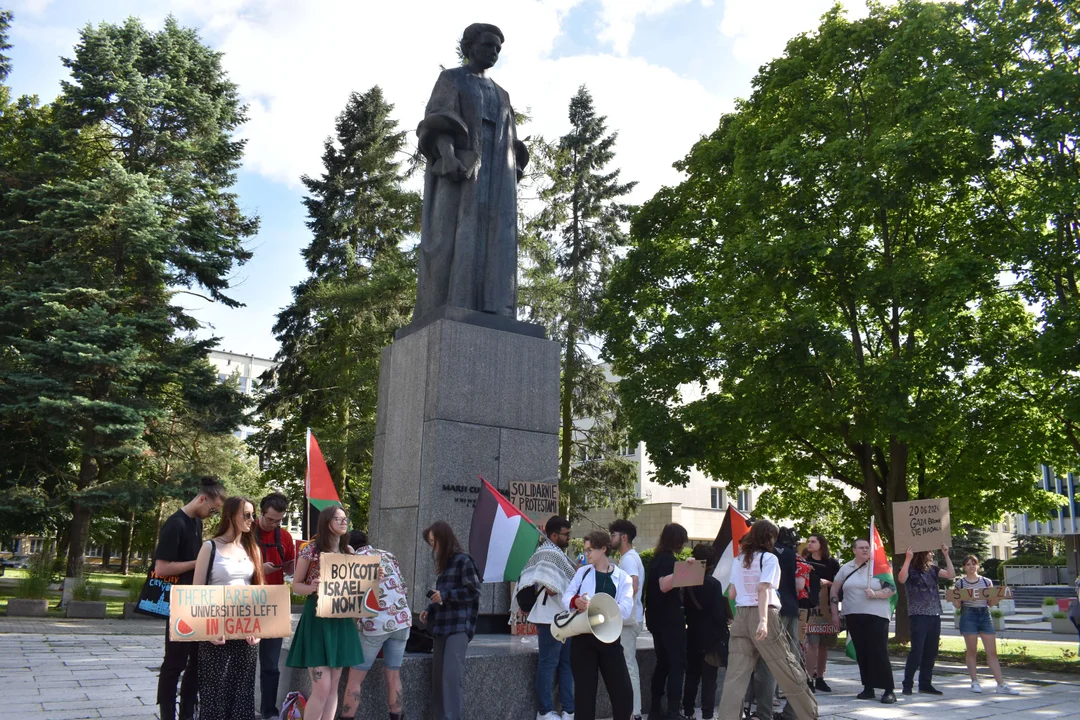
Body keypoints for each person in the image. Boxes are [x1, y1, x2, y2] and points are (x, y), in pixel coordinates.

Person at [412, 23, 529, 319]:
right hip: (463, 170)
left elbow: (510, 134)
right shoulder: (452, 79)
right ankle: (454, 301)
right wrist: (447, 154)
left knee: (496, 234)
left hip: (498, 174)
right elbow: (437, 120)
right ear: (469, 47)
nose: (494, 52)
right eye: (488, 45)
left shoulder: (502, 94)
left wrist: (518, 155)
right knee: (455, 234)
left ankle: (496, 305)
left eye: (498, 49)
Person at [717, 520, 817, 720]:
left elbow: (732, 594)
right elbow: (763, 589)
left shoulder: (739, 559)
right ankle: (808, 713)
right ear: (769, 537)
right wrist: (763, 620)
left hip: (741, 616)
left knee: (735, 676)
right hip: (765, 615)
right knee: (785, 666)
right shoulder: (769, 558)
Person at [154, 475, 227, 720]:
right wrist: (199, 562)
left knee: (196, 663)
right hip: (179, 603)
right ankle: (167, 714)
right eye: (213, 509)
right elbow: (161, 568)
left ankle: (187, 713)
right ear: (202, 498)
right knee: (174, 664)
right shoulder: (176, 524)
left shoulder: (196, 523)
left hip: (197, 601)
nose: (212, 514)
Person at [286, 506, 365, 720]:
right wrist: (312, 586)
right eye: (338, 519)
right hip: (318, 620)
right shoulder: (310, 550)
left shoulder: (349, 551)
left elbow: (356, 586)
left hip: (341, 619)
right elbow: (296, 586)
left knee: (333, 688)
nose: (343, 522)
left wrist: (374, 576)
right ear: (326, 522)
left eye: (345, 518)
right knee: (322, 687)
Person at [192, 496, 266, 720]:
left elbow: (259, 592)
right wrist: (207, 628)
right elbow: (197, 592)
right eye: (247, 514)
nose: (251, 520)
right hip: (216, 633)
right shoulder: (210, 547)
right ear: (230, 515)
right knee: (214, 696)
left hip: (245, 634)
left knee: (242, 696)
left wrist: (259, 629)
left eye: (253, 515)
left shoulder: (252, 549)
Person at [561, 530, 635, 720]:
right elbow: (566, 597)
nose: (587, 554)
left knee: (623, 693)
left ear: (603, 549)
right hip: (583, 639)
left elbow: (626, 609)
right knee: (585, 696)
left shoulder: (623, 578)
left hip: (609, 639)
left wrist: (600, 607)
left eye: (590, 550)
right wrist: (576, 601)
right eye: (585, 550)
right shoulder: (583, 572)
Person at [340, 530, 412, 720]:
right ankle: (397, 716)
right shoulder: (388, 555)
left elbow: (353, 599)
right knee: (394, 675)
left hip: (374, 623)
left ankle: (347, 717)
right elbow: (403, 587)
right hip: (401, 620)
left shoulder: (353, 560)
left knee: (355, 680)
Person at [420, 521, 482, 720]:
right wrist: (430, 609)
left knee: (451, 678)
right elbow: (442, 596)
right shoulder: (446, 565)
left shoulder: (464, 560)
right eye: (430, 543)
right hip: (442, 626)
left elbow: (474, 591)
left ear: (443, 539)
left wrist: (445, 595)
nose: (433, 547)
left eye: (434, 541)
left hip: (459, 626)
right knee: (438, 679)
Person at [519, 516, 577, 720]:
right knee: (549, 663)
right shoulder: (547, 553)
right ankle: (544, 711)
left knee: (566, 663)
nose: (569, 537)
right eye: (566, 534)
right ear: (554, 535)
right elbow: (552, 589)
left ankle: (568, 710)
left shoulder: (558, 553)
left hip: (564, 617)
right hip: (549, 618)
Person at [830, 537, 896, 704]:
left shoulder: (880, 567)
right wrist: (834, 614)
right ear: (854, 550)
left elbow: (892, 589)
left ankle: (888, 690)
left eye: (867, 547)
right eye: (861, 548)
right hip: (853, 615)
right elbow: (834, 589)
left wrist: (876, 595)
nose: (865, 550)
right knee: (862, 652)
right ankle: (868, 687)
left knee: (879, 651)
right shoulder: (846, 567)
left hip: (876, 615)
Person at [752, 527, 804, 720]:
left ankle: (764, 712)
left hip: (773, 609)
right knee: (792, 661)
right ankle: (794, 711)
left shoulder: (765, 555)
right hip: (791, 608)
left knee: (768, 662)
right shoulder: (791, 554)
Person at [254, 492, 296, 720]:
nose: (274, 524)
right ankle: (242, 706)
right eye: (270, 519)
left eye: (279, 520)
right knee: (246, 661)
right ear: (261, 513)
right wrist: (261, 568)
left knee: (271, 663)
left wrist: (292, 567)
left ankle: (270, 711)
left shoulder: (285, 537)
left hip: (275, 601)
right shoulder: (247, 532)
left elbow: (289, 569)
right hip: (248, 599)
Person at [953, 555, 1019, 695]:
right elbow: (958, 605)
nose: (971, 566)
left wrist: (999, 596)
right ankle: (974, 682)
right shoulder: (960, 583)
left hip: (984, 614)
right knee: (972, 650)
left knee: (992, 652)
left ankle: (1001, 684)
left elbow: (990, 603)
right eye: (968, 564)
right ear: (964, 567)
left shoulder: (986, 581)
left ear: (977, 565)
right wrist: (954, 598)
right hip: (968, 615)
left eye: (973, 563)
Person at [682, 544, 731, 720]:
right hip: (711, 638)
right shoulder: (713, 584)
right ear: (710, 563)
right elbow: (718, 614)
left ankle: (688, 712)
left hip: (692, 634)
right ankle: (707, 715)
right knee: (709, 680)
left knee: (692, 677)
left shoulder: (686, 582)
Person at [897, 544, 954, 695]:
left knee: (931, 651)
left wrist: (946, 555)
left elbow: (950, 574)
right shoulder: (910, 568)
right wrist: (908, 558)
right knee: (917, 651)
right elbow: (901, 579)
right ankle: (907, 684)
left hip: (934, 614)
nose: (932, 555)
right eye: (930, 552)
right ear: (922, 554)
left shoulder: (933, 569)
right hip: (918, 615)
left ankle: (925, 683)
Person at [646, 523, 689, 720]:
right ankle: (673, 711)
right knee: (677, 664)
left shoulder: (655, 559)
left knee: (663, 663)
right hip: (670, 620)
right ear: (677, 541)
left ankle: (655, 708)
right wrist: (687, 570)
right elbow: (664, 585)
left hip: (656, 619)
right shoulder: (668, 560)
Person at [610, 519, 646, 720]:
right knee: (629, 664)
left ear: (624, 537)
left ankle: (634, 712)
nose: (611, 539)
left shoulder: (628, 559)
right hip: (632, 618)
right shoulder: (630, 557)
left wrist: (619, 605)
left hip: (629, 619)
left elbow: (634, 583)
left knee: (628, 665)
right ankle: (634, 711)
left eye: (613, 535)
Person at [801, 534, 840, 692]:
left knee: (824, 645)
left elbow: (838, 585)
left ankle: (820, 678)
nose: (809, 544)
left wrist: (827, 583)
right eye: (808, 541)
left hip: (827, 609)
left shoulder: (832, 564)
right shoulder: (804, 561)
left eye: (813, 541)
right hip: (809, 609)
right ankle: (808, 678)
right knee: (812, 643)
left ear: (821, 544)